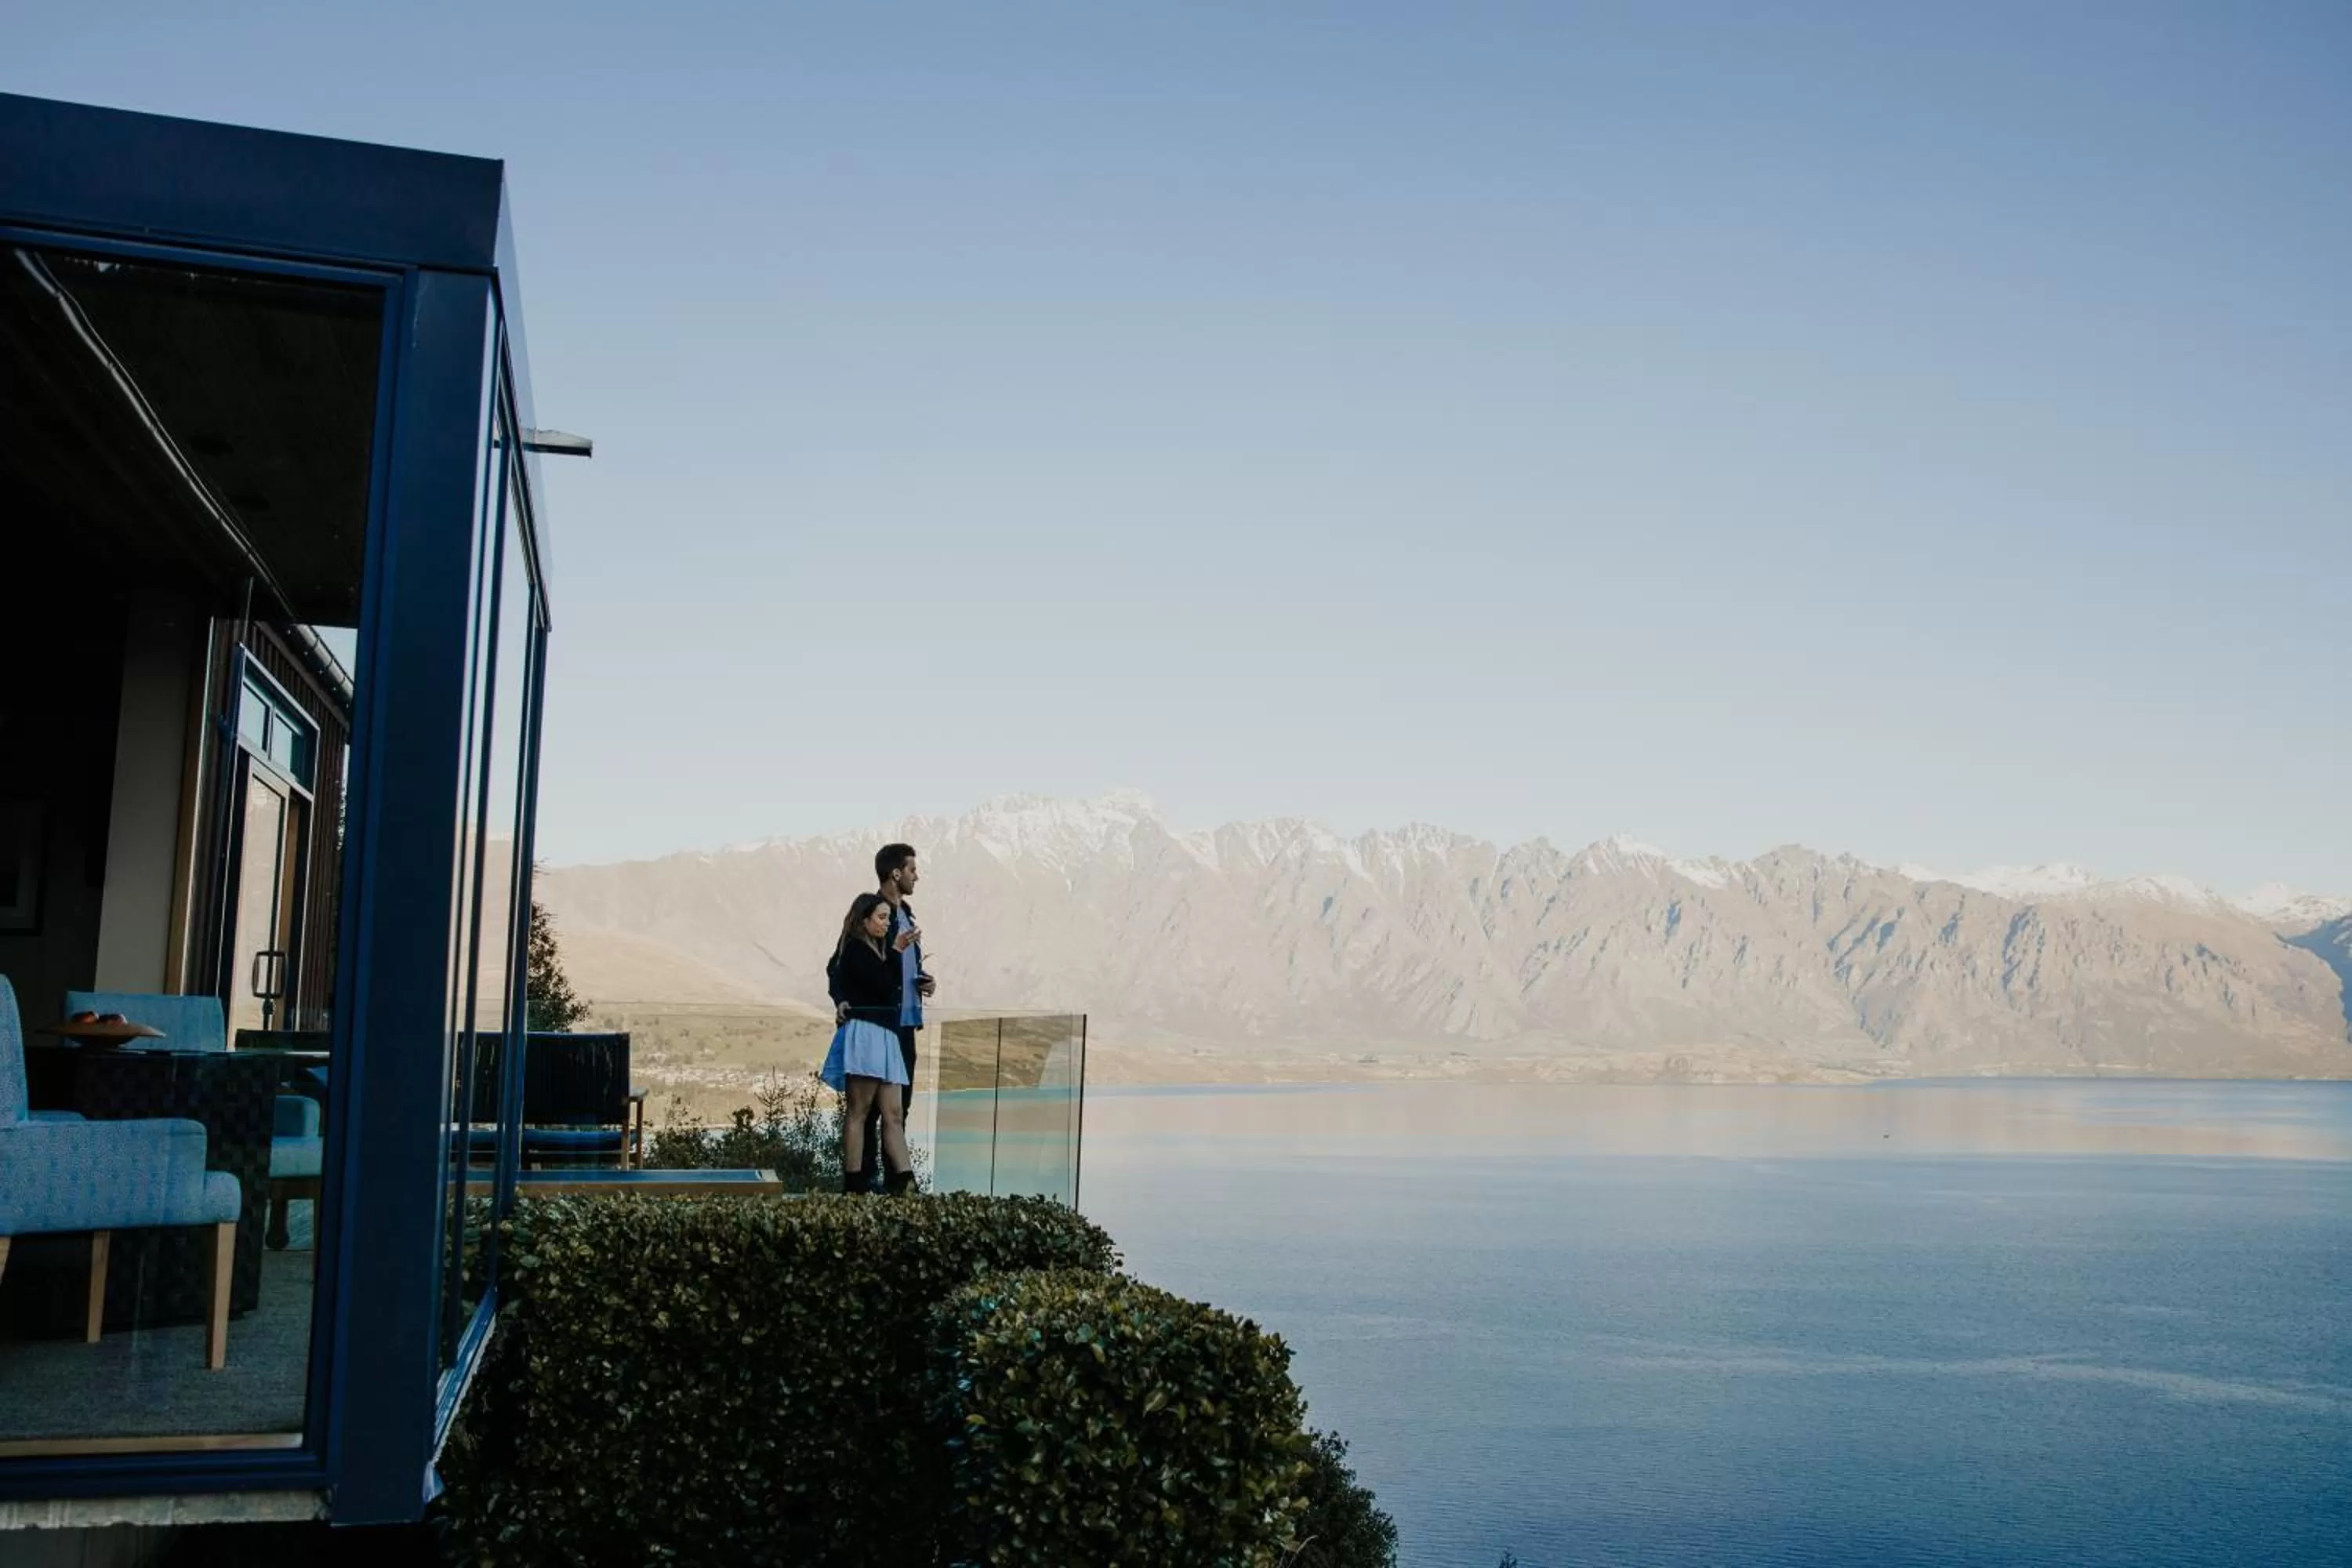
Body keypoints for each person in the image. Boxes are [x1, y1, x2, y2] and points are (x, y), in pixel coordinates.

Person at [833, 842, 934, 1190]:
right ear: (895, 873)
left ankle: (897, 1185)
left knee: (897, 1109)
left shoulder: (905, 915)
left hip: (902, 1027)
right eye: (911, 870)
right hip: (875, 1024)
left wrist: (922, 982)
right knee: (866, 1111)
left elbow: (901, 970)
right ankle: (862, 1182)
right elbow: (842, 968)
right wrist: (842, 1000)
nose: (916, 877)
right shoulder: (871, 916)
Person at [820, 892, 917, 1195]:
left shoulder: (877, 950)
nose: (887, 925)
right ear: (865, 920)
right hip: (866, 1032)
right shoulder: (855, 951)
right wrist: (899, 951)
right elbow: (882, 985)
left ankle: (906, 1181)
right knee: (859, 1111)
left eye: (889, 918)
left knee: (894, 1113)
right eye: (881, 918)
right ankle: (854, 1183)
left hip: (886, 1033)